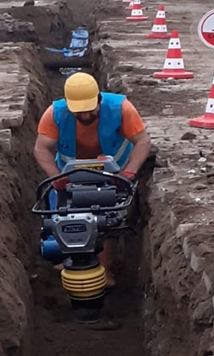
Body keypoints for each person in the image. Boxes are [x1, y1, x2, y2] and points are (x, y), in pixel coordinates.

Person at [34, 72, 152, 288]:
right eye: (79, 113)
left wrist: (128, 174)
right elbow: (42, 148)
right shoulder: (55, 114)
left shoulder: (121, 108)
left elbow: (142, 142)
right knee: (67, 214)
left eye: (90, 111)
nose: (86, 116)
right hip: (70, 176)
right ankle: (73, 258)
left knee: (106, 220)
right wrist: (55, 177)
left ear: (99, 99)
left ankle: (105, 269)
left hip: (113, 175)